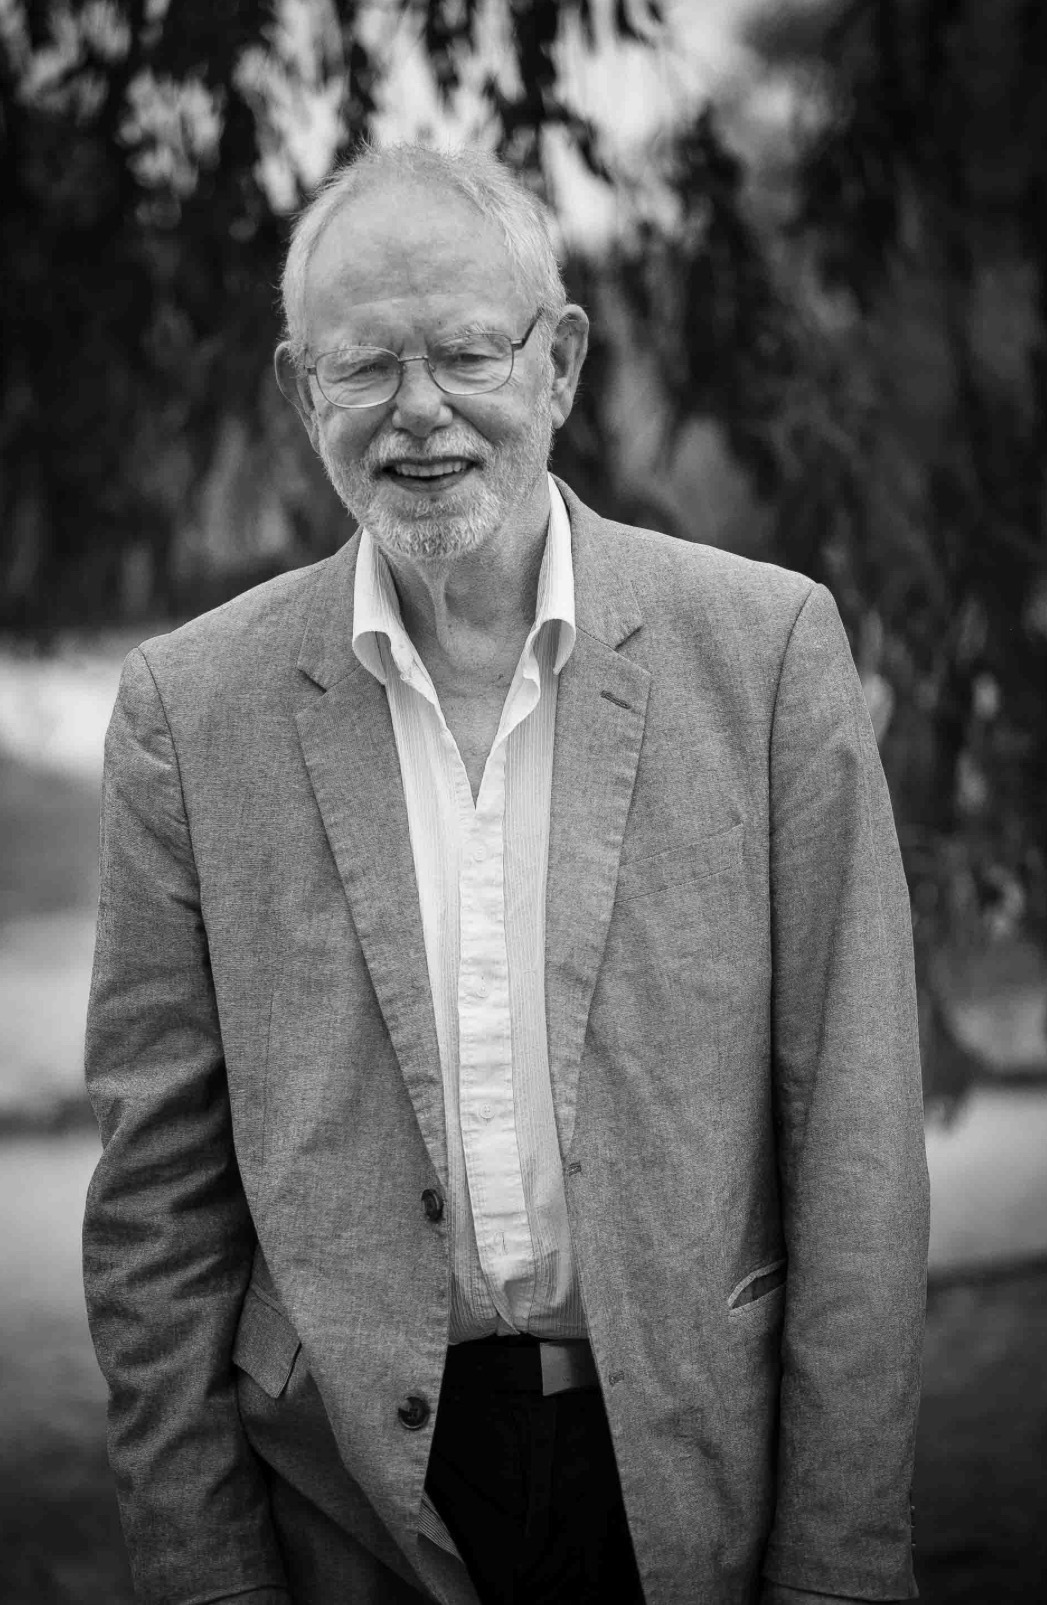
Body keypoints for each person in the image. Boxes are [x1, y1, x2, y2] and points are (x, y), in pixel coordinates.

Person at [83, 141, 930, 1605]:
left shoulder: (768, 654)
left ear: (562, 364)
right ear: (299, 393)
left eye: (469, 352)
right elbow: (156, 1212)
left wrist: (840, 1567)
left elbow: (855, 1147)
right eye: (365, 367)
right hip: (340, 1503)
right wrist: (207, 1577)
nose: (420, 410)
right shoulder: (189, 709)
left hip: (691, 1472)